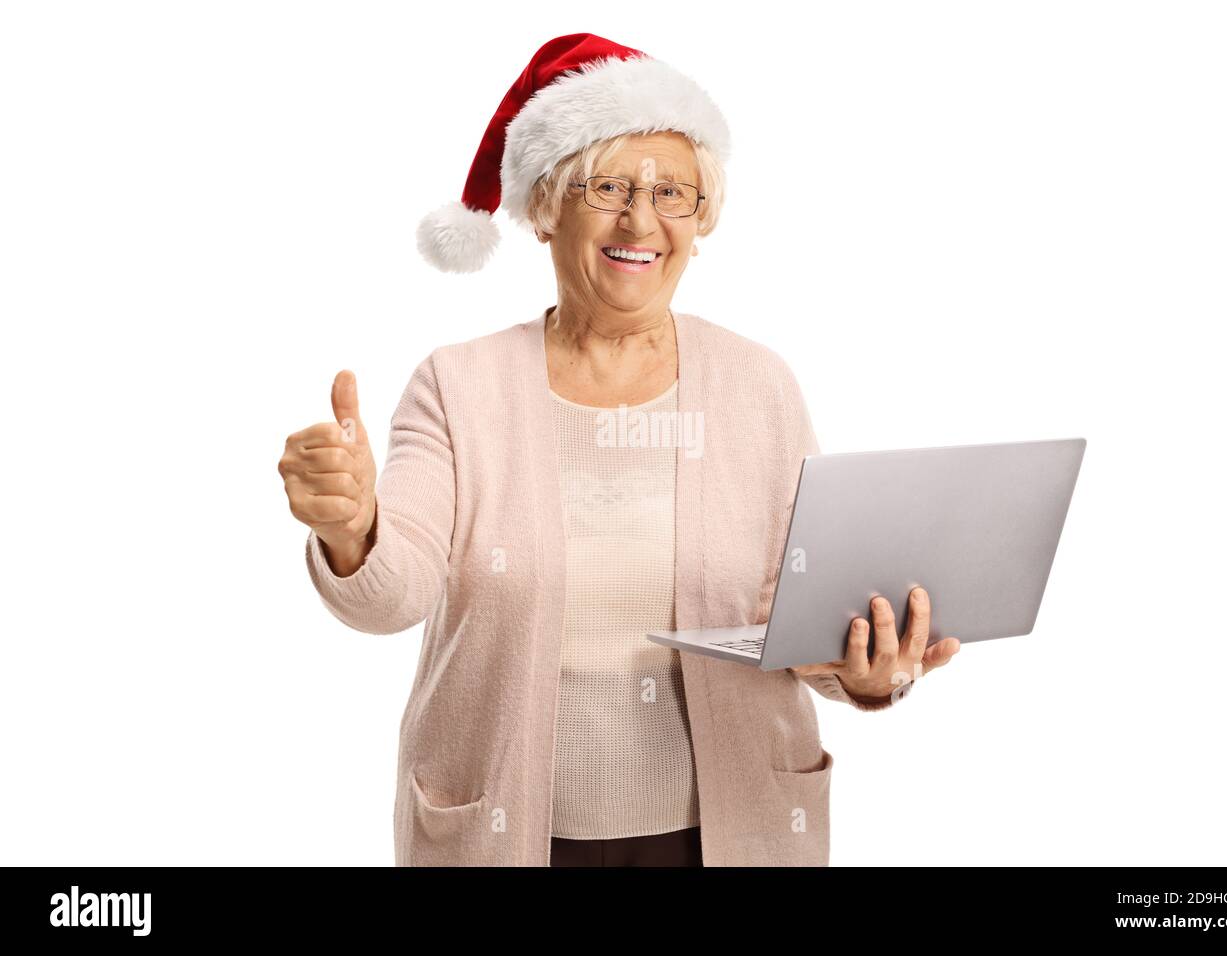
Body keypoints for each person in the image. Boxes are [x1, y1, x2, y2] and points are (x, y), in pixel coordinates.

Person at [277, 33, 960, 867]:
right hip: (506, 836)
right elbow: (393, 596)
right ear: (545, 206)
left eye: (673, 191)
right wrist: (353, 530)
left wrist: (863, 669)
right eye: (607, 186)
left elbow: (801, 617)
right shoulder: (457, 386)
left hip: (729, 834)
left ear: (700, 222)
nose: (641, 220)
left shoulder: (759, 386)